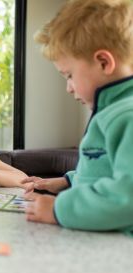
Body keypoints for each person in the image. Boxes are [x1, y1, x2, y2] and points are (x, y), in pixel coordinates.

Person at [23, 0, 133, 234]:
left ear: (104, 62)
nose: (69, 88)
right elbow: (106, 167)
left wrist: (58, 209)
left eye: (69, 75)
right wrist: (68, 181)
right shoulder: (112, 109)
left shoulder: (126, 115)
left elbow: (127, 196)